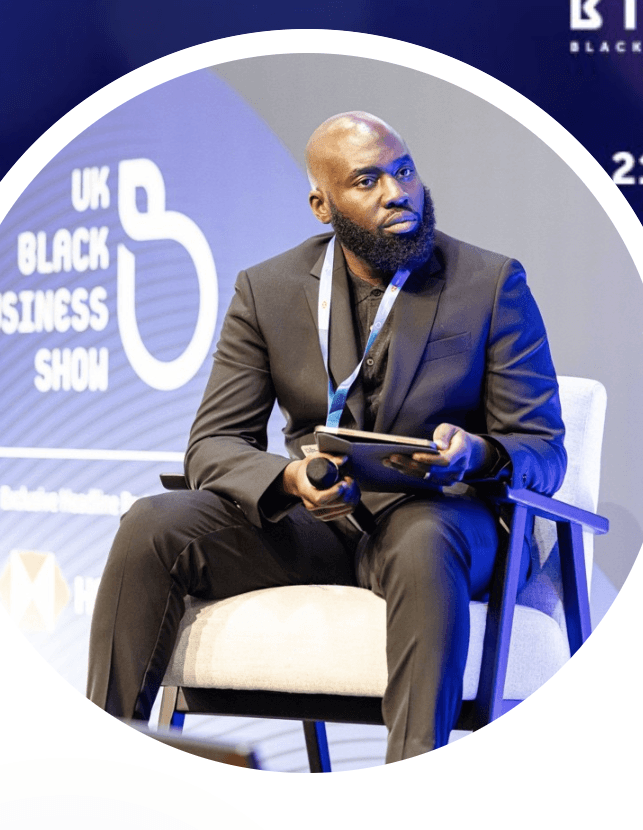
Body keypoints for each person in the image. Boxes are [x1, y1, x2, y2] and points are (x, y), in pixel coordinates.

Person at [87, 111, 566, 763]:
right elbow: (213, 445)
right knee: (153, 522)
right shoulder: (269, 290)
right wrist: (287, 480)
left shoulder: (489, 283)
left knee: (427, 538)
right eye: (367, 180)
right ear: (322, 204)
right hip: (323, 521)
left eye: (403, 171)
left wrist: (478, 454)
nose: (396, 192)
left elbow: (543, 446)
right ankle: (105, 766)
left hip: (445, 518)